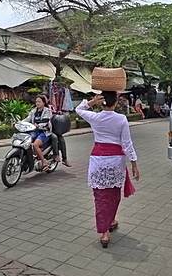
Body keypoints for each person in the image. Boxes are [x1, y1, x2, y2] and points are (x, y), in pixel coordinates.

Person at [76, 91, 140, 248]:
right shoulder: (121, 119)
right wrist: (134, 163)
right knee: (113, 195)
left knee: (100, 197)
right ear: (116, 103)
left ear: (101, 102)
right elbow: (127, 143)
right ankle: (111, 220)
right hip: (115, 161)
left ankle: (104, 232)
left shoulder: (95, 117)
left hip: (97, 160)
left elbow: (79, 109)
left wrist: (91, 102)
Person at [23, 95, 61, 171]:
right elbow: (27, 119)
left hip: (44, 132)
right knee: (26, 142)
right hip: (34, 131)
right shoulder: (33, 111)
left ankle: (44, 162)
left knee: (35, 145)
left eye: (39, 101)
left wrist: (39, 125)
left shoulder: (47, 111)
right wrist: (19, 123)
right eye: (36, 101)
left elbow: (45, 121)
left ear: (43, 102)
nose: (37, 103)